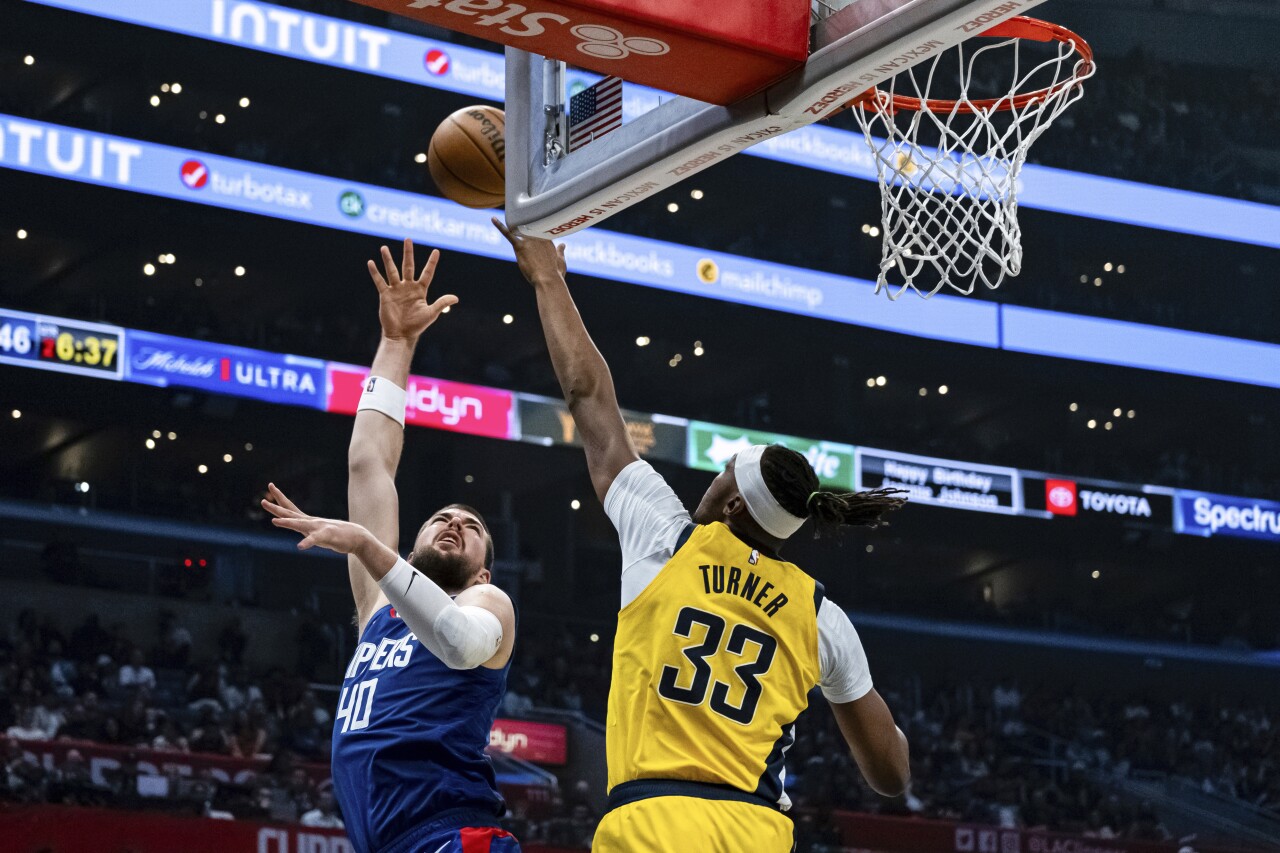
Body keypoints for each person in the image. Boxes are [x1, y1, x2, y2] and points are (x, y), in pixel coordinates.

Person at [495, 218, 912, 852]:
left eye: (721, 476)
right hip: (755, 832)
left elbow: (588, 396)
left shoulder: (667, 538)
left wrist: (547, 278)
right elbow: (891, 774)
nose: (709, 484)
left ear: (735, 504)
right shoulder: (820, 615)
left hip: (653, 823)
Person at [262, 240, 519, 853]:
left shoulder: (489, 606)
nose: (453, 522)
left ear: (483, 572)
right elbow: (368, 462)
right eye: (441, 517)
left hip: (452, 835)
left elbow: (458, 642)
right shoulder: (382, 605)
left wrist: (370, 548)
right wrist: (397, 342)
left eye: (471, 527)